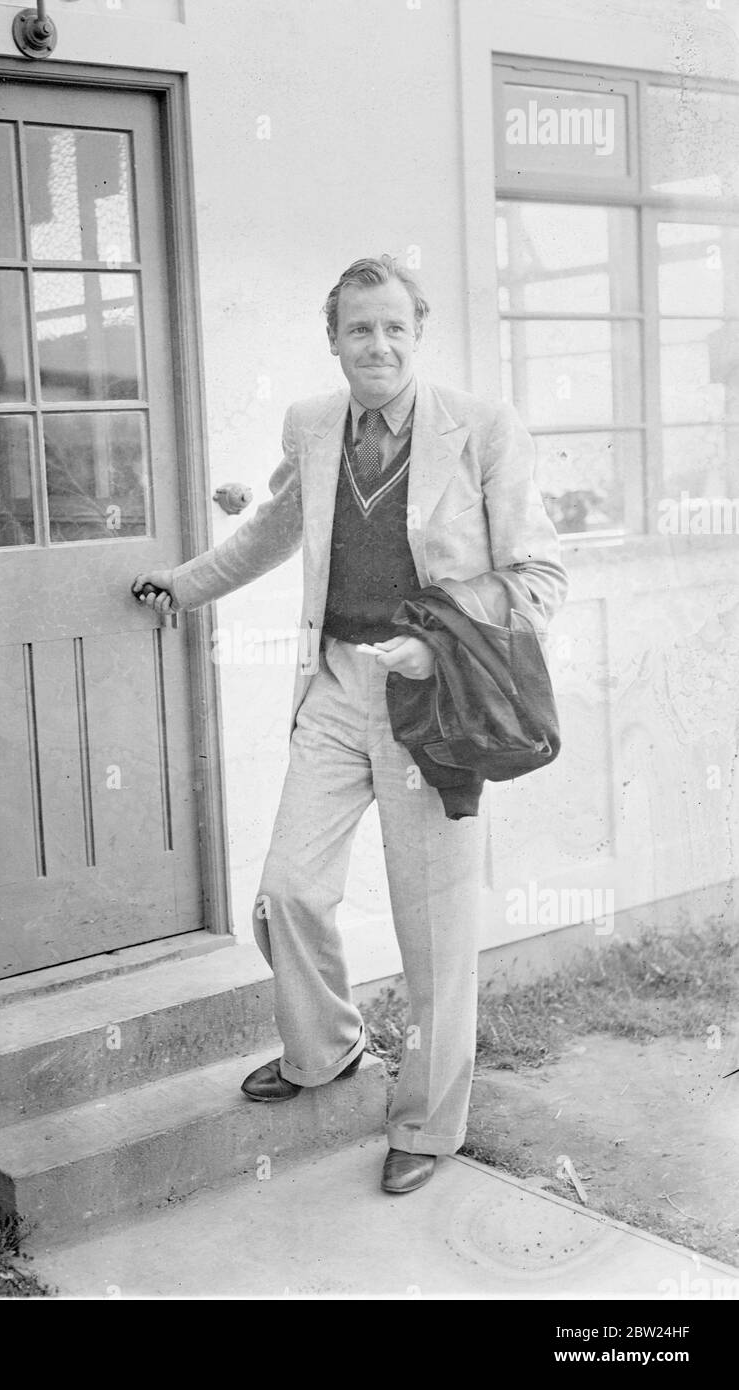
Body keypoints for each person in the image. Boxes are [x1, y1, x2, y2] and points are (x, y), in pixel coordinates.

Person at [133, 255, 567, 1194]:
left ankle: (426, 1125)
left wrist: (436, 646)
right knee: (288, 888)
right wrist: (182, 585)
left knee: (435, 932)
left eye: (393, 328)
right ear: (332, 339)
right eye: (357, 329)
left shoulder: (484, 430)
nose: (376, 345)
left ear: (419, 334)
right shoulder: (312, 423)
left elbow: (539, 581)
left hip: (432, 703)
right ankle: (325, 1049)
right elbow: (271, 531)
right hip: (335, 684)